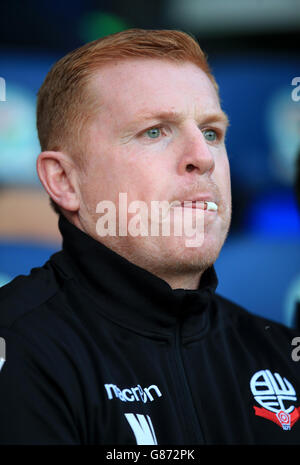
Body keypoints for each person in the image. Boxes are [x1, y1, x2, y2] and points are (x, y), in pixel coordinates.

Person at [0, 28, 299, 445]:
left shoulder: (284, 353)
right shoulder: (17, 347)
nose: (202, 158)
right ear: (65, 181)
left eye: (212, 132)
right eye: (155, 131)